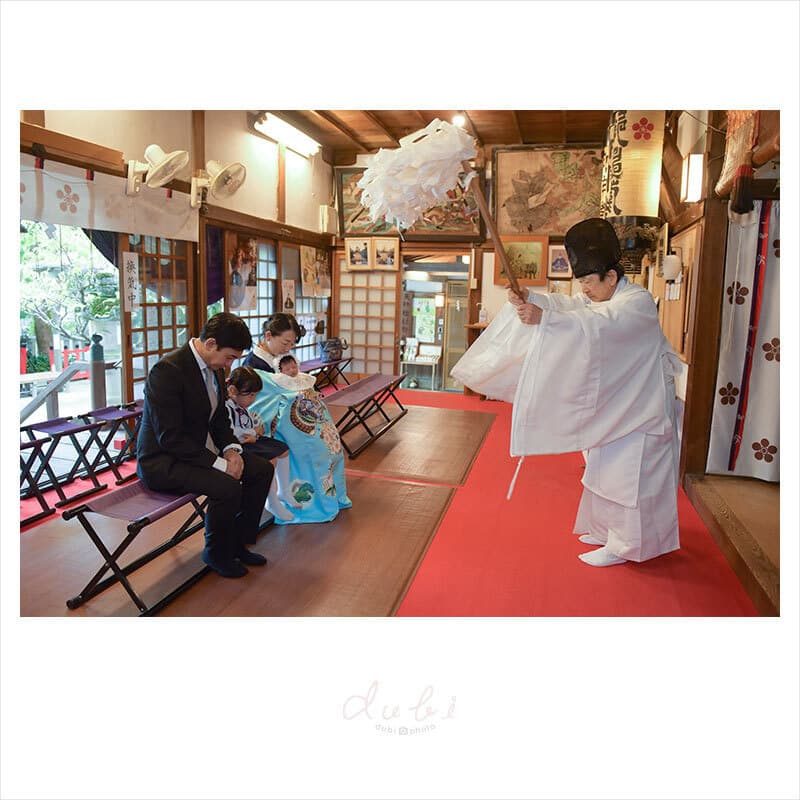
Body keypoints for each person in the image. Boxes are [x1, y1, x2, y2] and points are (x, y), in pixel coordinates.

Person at [505, 217, 682, 567]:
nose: (583, 290)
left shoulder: (637, 302)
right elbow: (575, 309)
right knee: (605, 472)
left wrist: (545, 319)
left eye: (587, 282)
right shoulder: (604, 298)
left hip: (640, 410)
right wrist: (532, 299)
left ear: (611, 277)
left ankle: (628, 545)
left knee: (630, 479)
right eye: (581, 282)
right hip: (621, 406)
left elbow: (601, 325)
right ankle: (606, 532)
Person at [136, 312, 273, 579]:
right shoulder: (168, 371)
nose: (230, 364)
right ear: (210, 344)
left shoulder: (214, 369)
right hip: (163, 461)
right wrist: (221, 464)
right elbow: (170, 438)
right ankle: (216, 552)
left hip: (196, 453)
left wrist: (233, 451)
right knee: (227, 486)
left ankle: (238, 543)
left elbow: (219, 419)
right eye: (230, 357)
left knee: (260, 470)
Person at [225, 366, 297, 522]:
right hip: (237, 446)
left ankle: (283, 491)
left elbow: (251, 419)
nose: (253, 400)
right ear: (232, 390)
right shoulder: (226, 407)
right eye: (250, 395)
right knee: (270, 460)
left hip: (251, 438)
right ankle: (271, 501)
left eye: (255, 395)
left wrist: (257, 427)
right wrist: (254, 432)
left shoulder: (241, 405)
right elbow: (235, 432)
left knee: (283, 449)